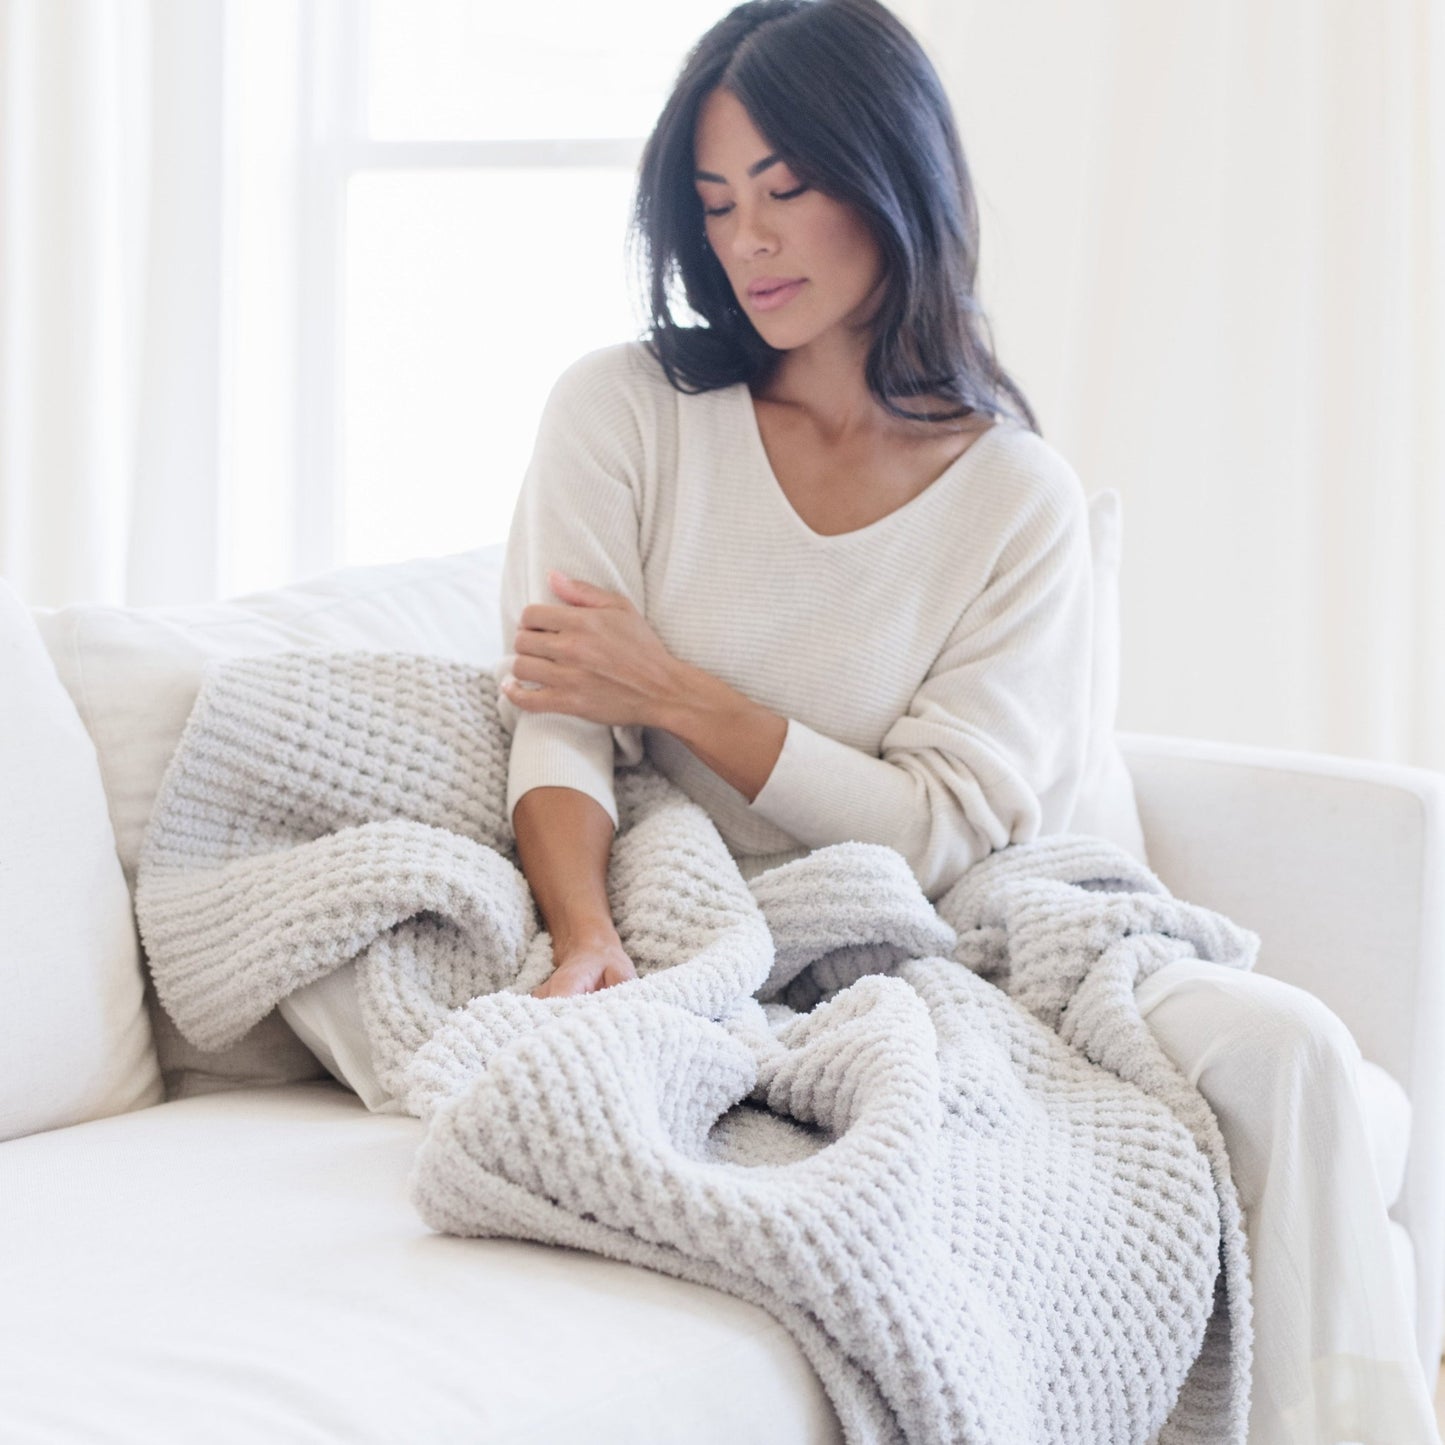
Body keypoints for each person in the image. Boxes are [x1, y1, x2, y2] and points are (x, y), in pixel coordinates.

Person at [491, 2, 1439, 1439]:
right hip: (707, 915)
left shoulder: (1012, 497)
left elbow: (933, 825)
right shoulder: (622, 412)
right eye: (715, 202)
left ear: (889, 179)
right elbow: (561, 717)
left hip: (983, 915)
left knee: (1295, 1049)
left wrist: (675, 690)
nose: (749, 240)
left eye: (787, 190)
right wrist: (582, 930)